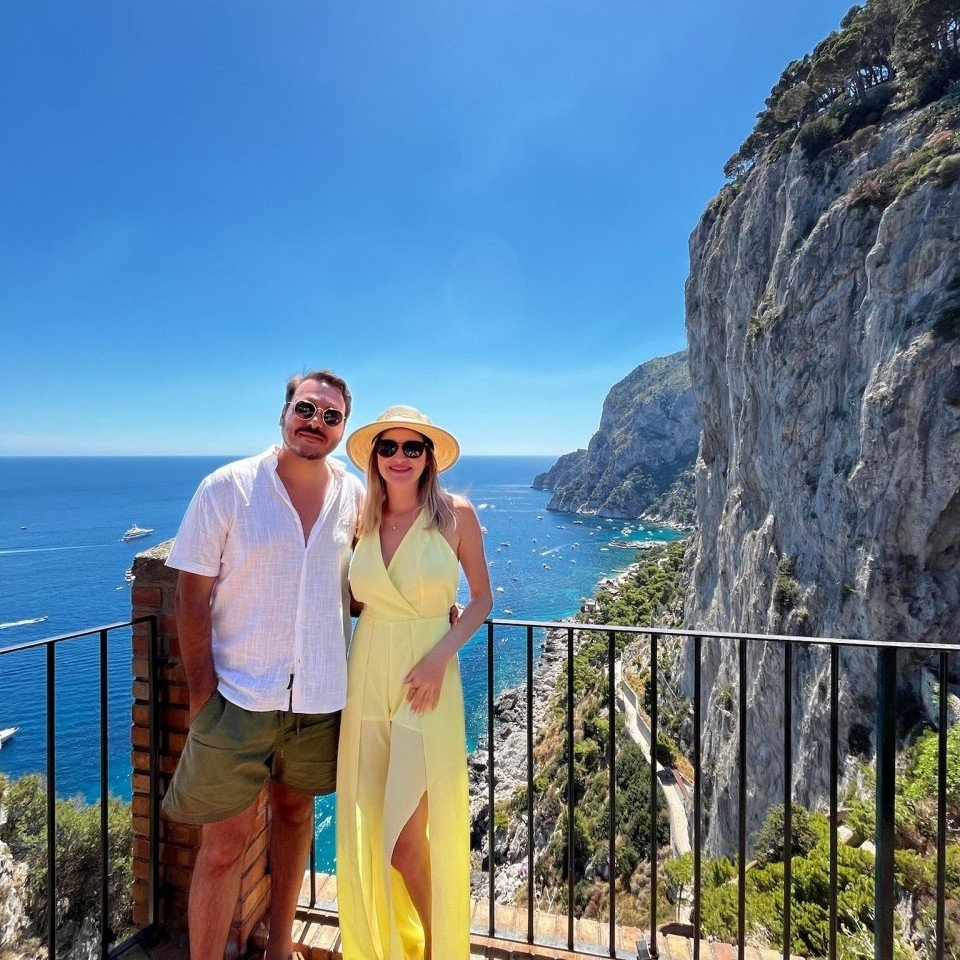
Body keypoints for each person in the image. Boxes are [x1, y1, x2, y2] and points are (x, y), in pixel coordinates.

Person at [162, 370, 364, 960]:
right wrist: (203, 694)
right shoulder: (227, 488)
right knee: (223, 848)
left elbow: (363, 585)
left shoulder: (354, 496)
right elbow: (190, 595)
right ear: (284, 412)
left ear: (342, 429)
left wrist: (432, 605)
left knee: (295, 819)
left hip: (319, 698)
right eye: (307, 408)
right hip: (239, 698)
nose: (316, 422)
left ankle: (279, 949)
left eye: (330, 416)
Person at [336, 405, 493, 960]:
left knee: (406, 843)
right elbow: (357, 598)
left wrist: (439, 655)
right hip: (366, 675)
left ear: (428, 458)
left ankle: (435, 951)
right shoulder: (362, 520)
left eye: (412, 447)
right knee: (367, 821)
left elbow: (482, 599)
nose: (399, 457)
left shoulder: (456, 515)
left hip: (427, 682)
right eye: (388, 447)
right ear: (375, 458)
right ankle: (385, 943)